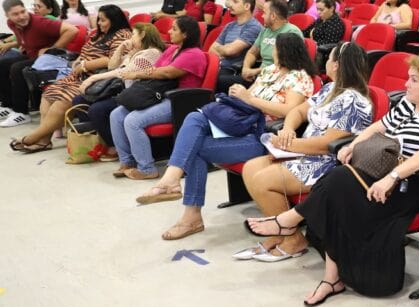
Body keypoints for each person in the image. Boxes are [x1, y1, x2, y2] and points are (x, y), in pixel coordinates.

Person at [246, 53, 419, 303]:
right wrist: (353, 145)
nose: (406, 84)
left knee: (337, 181)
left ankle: (293, 225)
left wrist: (391, 177)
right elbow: (376, 127)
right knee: (336, 192)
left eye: (414, 80)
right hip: (379, 174)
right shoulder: (408, 104)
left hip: (412, 186)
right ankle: (330, 277)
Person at [135, 33, 315, 240]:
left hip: (262, 136)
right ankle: (172, 181)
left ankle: (187, 210)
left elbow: (289, 110)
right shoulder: (269, 71)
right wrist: (239, 95)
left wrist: (249, 99)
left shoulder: (300, 77)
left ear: (286, 51)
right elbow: (249, 99)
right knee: (195, 118)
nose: (271, 52)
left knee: (194, 148)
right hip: (241, 124)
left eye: (275, 48)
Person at [237, 42, 374, 261]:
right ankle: (278, 234)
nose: (325, 62)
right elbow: (299, 111)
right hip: (303, 150)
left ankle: (292, 238)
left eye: (329, 58)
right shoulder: (331, 89)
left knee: (263, 181)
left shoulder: (353, 100)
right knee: (250, 168)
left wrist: (289, 145)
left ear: (337, 65)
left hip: (327, 162)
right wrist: (288, 129)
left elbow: (328, 144)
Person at [10, 5, 132, 152]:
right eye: (98, 19)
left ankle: (32, 138)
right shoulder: (99, 34)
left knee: (61, 101)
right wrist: (79, 60)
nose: (99, 23)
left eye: (103, 20)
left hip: (97, 79)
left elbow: (113, 61)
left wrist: (86, 64)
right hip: (79, 74)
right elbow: (86, 49)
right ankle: (44, 140)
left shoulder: (122, 34)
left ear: (114, 20)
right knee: (48, 95)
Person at [108, 16, 207, 180]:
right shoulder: (172, 49)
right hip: (161, 94)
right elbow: (154, 69)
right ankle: (127, 161)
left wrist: (136, 73)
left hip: (180, 100)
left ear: (186, 34)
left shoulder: (194, 54)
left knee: (132, 120)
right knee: (117, 114)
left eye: (174, 29)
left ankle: (147, 169)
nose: (169, 31)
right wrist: (133, 56)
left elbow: (166, 72)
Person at [76, 23, 165, 160]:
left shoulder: (151, 53)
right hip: (122, 90)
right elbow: (112, 65)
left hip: (137, 95)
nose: (130, 38)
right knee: (79, 101)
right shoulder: (135, 52)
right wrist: (121, 47)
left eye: (133, 35)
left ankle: (114, 146)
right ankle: (102, 139)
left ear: (142, 35)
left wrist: (94, 77)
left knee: (97, 109)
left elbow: (124, 72)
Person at [0, 0, 79, 129]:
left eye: (22, 11)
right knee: (2, 64)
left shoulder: (40, 22)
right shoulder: (12, 23)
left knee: (17, 68)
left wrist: (51, 49)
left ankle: (21, 113)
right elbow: (22, 39)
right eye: (15, 14)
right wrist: (11, 44)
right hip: (34, 57)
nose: (21, 16)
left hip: (53, 59)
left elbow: (72, 30)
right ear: (7, 16)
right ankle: (8, 105)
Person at [228, 0, 303, 90]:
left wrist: (255, 71)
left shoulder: (291, 32)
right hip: (260, 77)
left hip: (277, 79)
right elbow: (252, 52)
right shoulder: (266, 31)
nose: (262, 16)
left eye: (264, 13)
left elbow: (286, 65)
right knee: (222, 81)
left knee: (223, 84)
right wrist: (246, 68)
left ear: (273, 16)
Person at [212, 0, 263, 92]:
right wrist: (224, 50)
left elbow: (230, 51)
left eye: (235, 2)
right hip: (219, 65)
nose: (230, 5)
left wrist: (222, 49)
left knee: (214, 80)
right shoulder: (229, 26)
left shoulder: (253, 26)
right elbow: (211, 50)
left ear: (247, 6)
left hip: (234, 69)